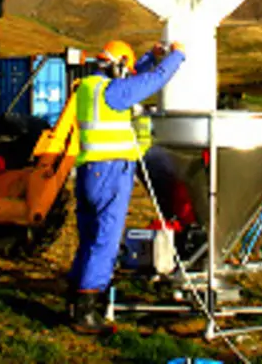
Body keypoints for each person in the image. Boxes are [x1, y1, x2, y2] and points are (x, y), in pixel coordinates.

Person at [68, 38, 185, 333]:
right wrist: (176, 57)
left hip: (89, 172)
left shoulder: (89, 87)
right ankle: (88, 309)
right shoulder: (113, 93)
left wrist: (150, 57)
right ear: (117, 65)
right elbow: (151, 82)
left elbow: (133, 79)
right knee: (105, 241)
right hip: (110, 173)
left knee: (89, 239)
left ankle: (74, 298)